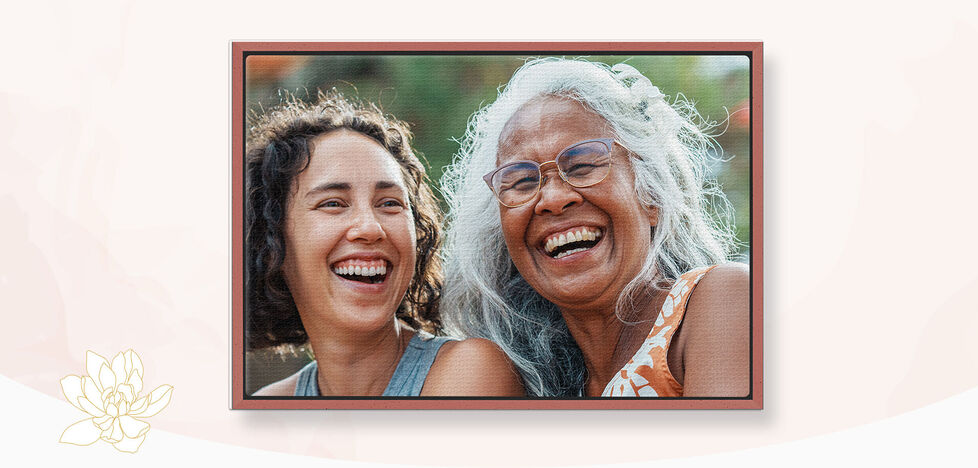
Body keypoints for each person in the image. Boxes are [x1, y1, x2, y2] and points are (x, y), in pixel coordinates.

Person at [440, 59, 749, 397]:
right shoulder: (528, 386)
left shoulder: (722, 298)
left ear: (652, 197)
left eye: (584, 165)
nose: (553, 199)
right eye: (523, 181)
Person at [245, 91, 522, 397]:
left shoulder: (470, 372)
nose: (370, 228)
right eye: (334, 203)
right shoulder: (269, 405)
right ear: (271, 242)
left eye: (390, 203)